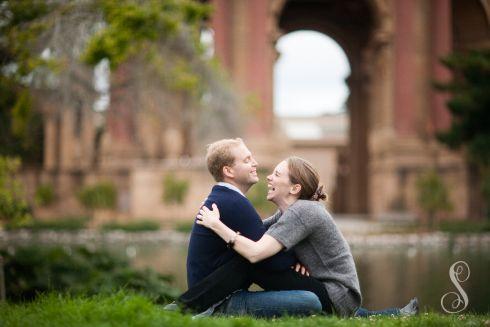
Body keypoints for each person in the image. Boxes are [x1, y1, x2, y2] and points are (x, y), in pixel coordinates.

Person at [196, 156, 419, 317]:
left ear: (294, 188)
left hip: (336, 293)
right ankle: (396, 314)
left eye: (277, 174)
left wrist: (217, 226)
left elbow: (255, 251)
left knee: (252, 262)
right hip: (323, 287)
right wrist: (295, 258)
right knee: (255, 260)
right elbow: (257, 234)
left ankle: (197, 304)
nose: (269, 178)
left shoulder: (304, 211)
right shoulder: (286, 213)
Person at [182, 138, 330, 318]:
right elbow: (273, 261)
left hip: (220, 297)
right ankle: (334, 304)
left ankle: (339, 306)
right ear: (228, 171)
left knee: (312, 298)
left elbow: (266, 244)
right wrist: (298, 257)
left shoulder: (224, 199)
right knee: (310, 301)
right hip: (219, 302)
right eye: (246, 160)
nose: (255, 163)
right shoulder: (232, 202)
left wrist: (295, 255)